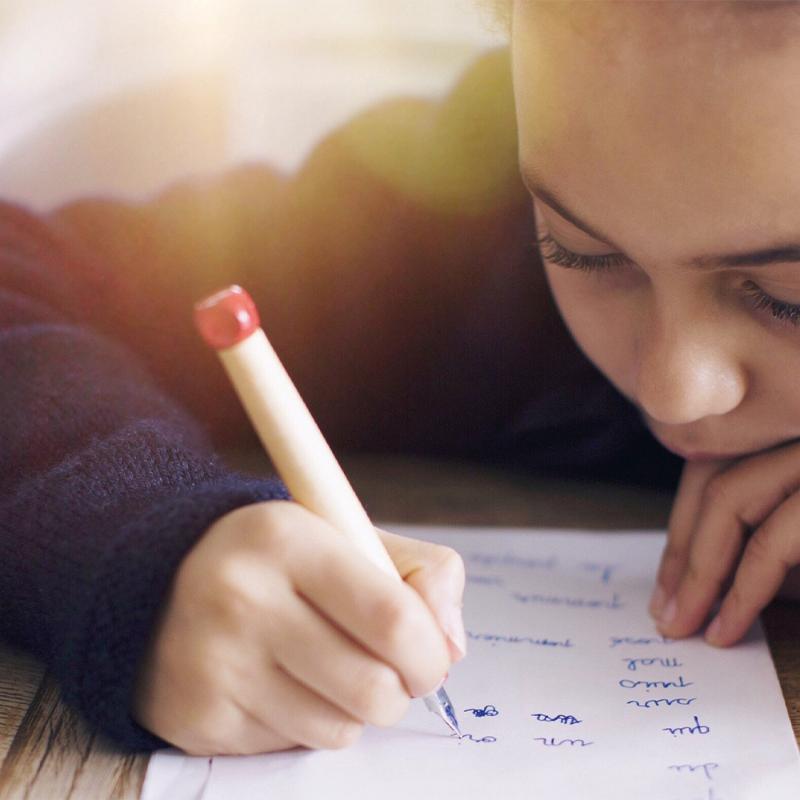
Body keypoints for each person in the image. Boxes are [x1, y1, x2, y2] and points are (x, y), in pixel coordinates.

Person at [1, 0, 797, 756]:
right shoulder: (450, 217)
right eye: (582, 251)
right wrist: (145, 545)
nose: (673, 390)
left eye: (788, 299)